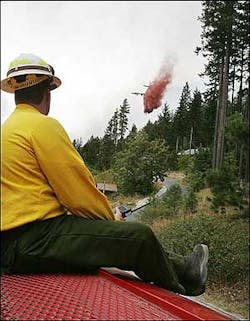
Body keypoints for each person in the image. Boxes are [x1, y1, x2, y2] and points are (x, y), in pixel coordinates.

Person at [1, 53, 209, 296]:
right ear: (47, 91)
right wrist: (110, 220)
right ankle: (188, 282)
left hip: (17, 242)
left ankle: (183, 266)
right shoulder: (42, 126)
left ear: (16, 91)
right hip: (33, 240)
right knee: (139, 237)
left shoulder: (8, 130)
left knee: (123, 238)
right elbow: (77, 194)